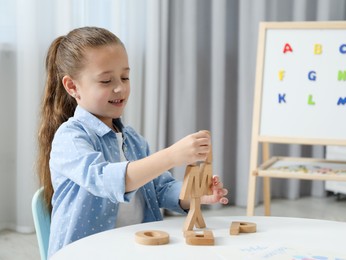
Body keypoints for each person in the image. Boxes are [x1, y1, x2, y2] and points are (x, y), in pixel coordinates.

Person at [37, 26, 228, 258]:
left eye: (125, 77)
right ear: (72, 87)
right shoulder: (71, 138)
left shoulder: (133, 139)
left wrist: (194, 193)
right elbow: (106, 180)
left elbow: (160, 189)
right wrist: (171, 156)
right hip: (87, 253)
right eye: (106, 81)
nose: (120, 87)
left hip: (134, 249)